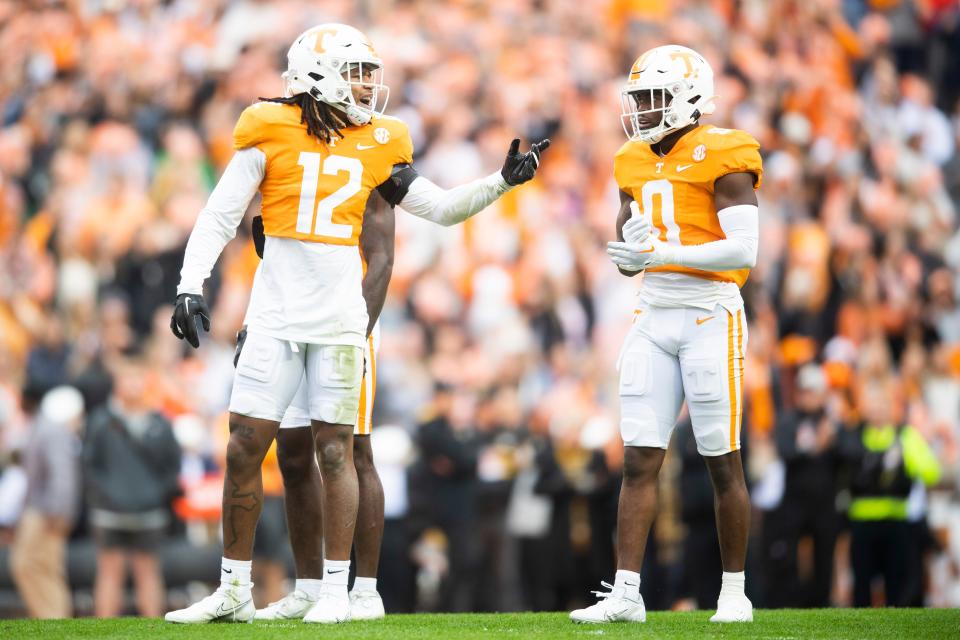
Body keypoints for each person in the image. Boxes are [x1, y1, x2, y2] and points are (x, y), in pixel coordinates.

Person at [165, 22, 548, 625]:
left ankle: (336, 592)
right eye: (357, 73)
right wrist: (190, 284)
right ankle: (234, 587)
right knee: (244, 447)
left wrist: (502, 181)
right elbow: (218, 216)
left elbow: (443, 209)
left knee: (336, 452)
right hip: (274, 310)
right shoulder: (268, 126)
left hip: (340, 316)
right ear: (317, 74)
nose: (370, 86)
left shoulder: (379, 139)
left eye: (371, 73)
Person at [569, 44, 762, 624]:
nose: (643, 110)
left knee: (720, 460)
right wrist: (631, 257)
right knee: (637, 460)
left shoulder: (724, 150)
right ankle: (626, 593)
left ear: (689, 97)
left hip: (710, 313)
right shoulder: (629, 158)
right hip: (653, 315)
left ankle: (733, 593)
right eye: (639, 99)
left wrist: (663, 253)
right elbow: (630, 249)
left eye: (653, 98)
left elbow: (744, 248)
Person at [251, 191, 395, 621]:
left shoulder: (368, 154)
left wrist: (356, 332)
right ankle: (309, 588)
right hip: (291, 317)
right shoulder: (289, 150)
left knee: (352, 450)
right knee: (293, 454)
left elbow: (382, 257)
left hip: (347, 320)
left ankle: (365, 590)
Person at [83, 358, 182, 617]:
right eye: (127, 377)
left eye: (138, 377)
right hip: (108, 512)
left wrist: (155, 495)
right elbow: (89, 465)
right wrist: (105, 496)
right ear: (116, 383)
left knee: (148, 572)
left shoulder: (161, 423)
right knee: (109, 572)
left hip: (149, 512)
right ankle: (104, 633)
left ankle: (152, 631)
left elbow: (173, 468)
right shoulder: (101, 421)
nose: (133, 384)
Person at [10, 385, 83, 619]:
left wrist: (58, 512)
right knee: (42, 568)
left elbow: (62, 477)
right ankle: (51, 619)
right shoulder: (52, 430)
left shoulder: (51, 431)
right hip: (43, 510)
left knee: (31, 566)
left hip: (44, 512)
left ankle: (52, 619)